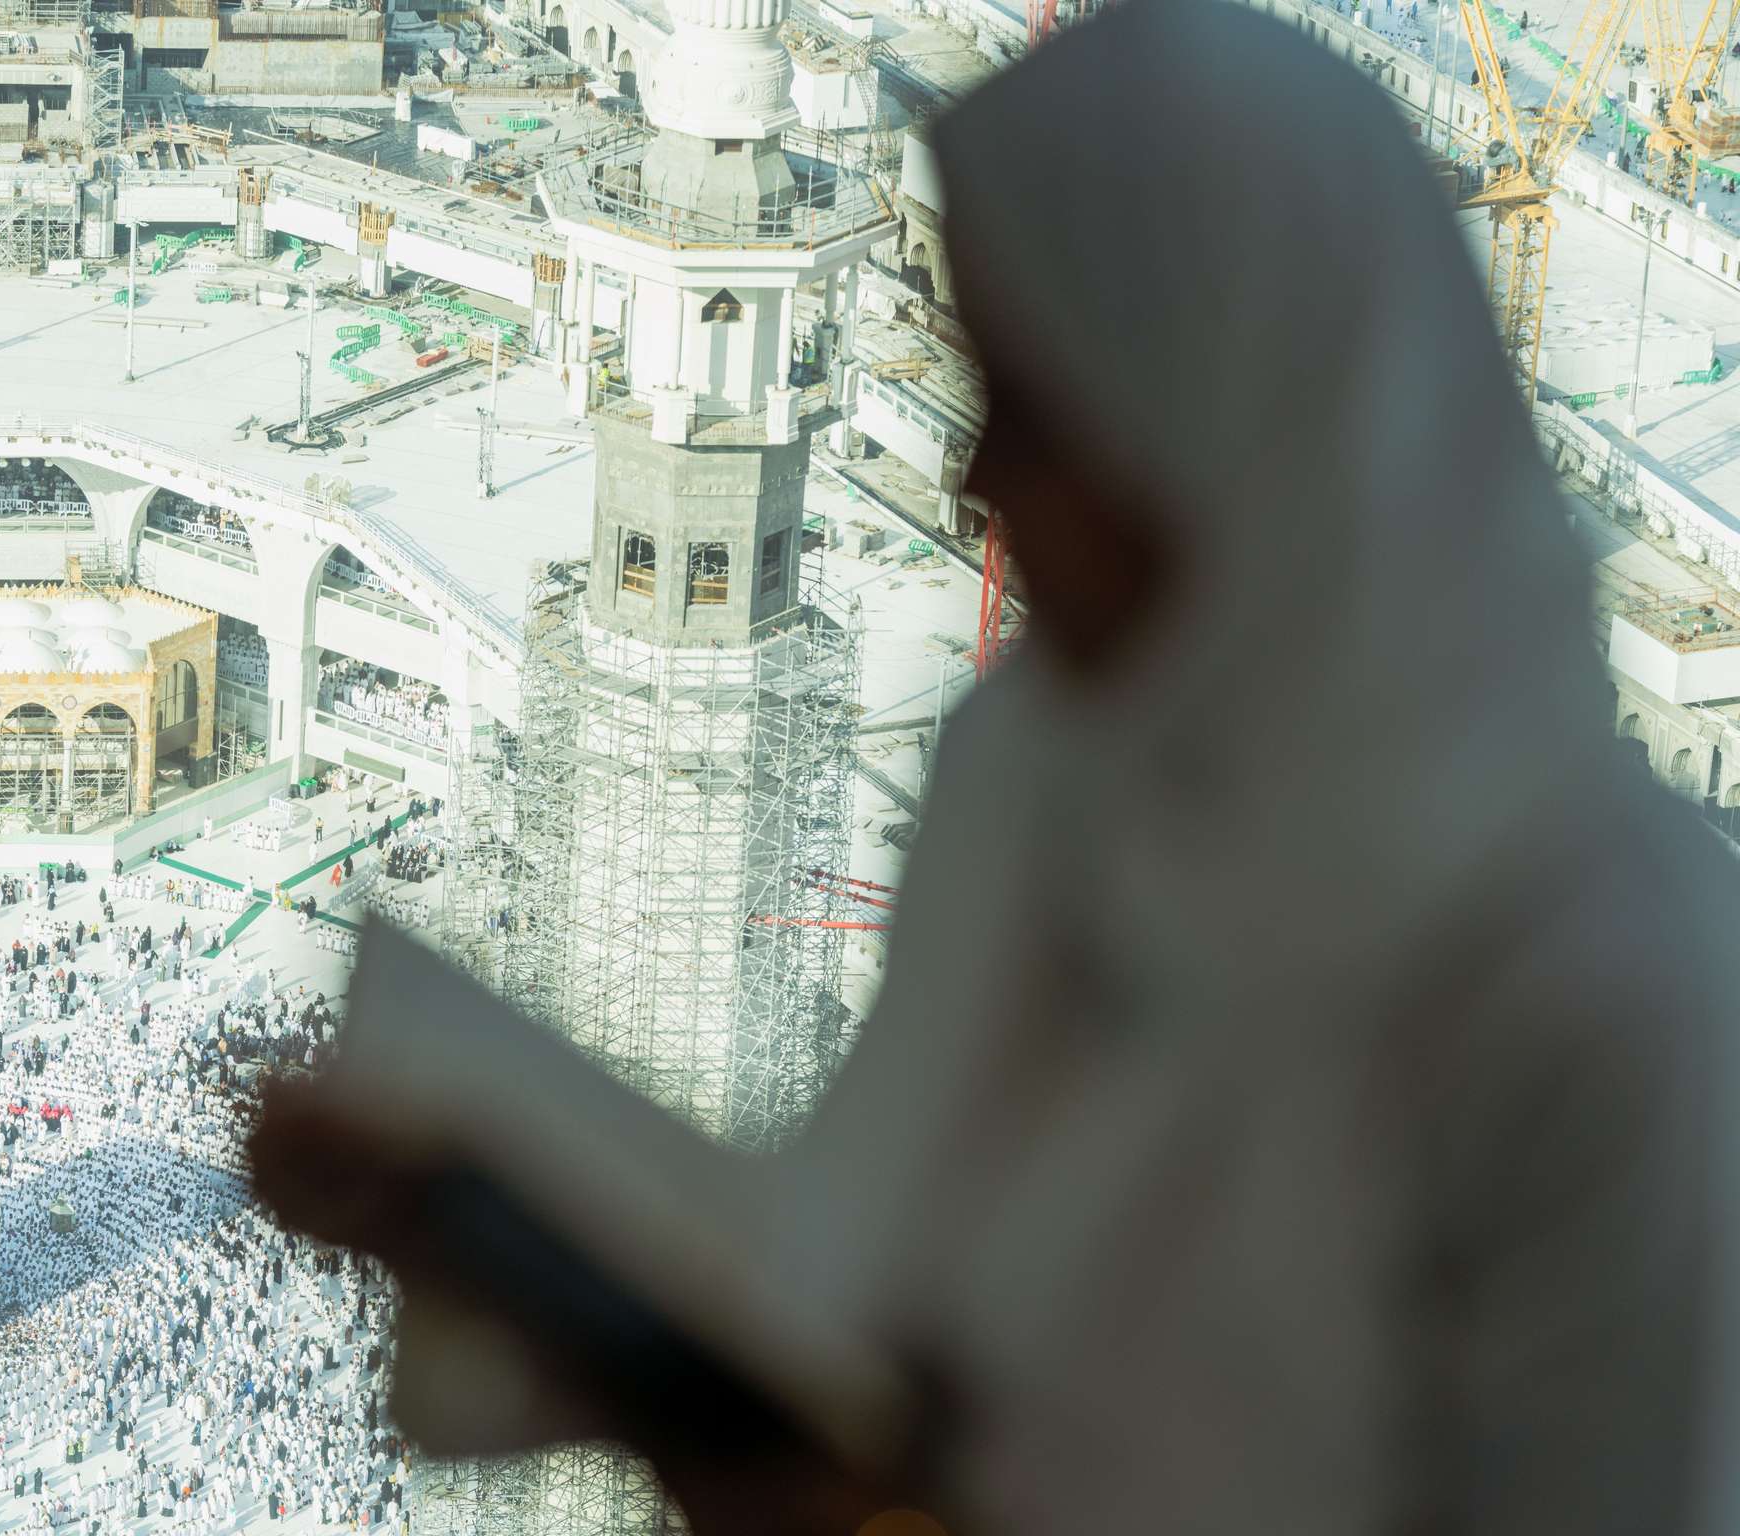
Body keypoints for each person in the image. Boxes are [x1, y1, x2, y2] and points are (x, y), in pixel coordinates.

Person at [250, 4, 1740, 1535]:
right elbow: (843, 1345)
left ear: (1233, 423)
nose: (972, 478)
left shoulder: (1604, 980)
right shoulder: (1041, 768)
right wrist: (483, 1230)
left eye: (1033, 412)